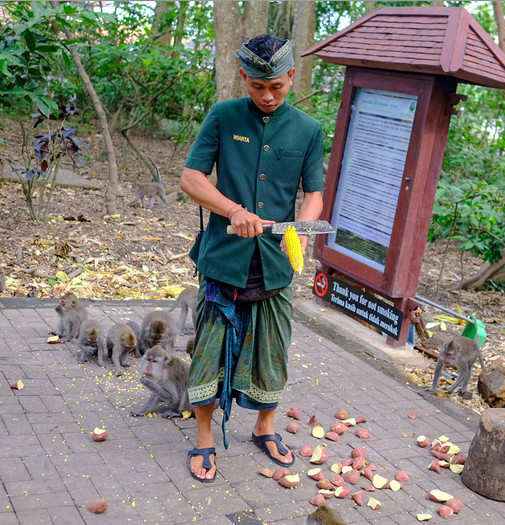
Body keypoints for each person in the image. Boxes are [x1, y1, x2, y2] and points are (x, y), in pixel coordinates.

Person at [179, 34, 324, 482]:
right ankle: (204, 438)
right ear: (244, 77)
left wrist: (299, 228)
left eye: (277, 87)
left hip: (276, 264)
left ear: (291, 78)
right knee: (209, 352)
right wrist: (233, 211)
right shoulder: (224, 118)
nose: (267, 96)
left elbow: (314, 194)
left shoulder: (307, 130)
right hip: (224, 259)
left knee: (273, 351)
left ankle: (265, 427)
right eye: (258, 86)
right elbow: (191, 177)